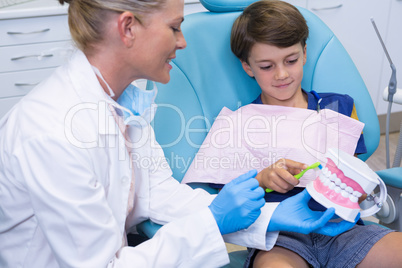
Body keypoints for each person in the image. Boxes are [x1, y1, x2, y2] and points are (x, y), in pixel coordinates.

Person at [0, 0, 356, 267]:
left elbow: (159, 194)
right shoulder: (53, 131)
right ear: (127, 28)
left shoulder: (124, 103)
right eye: (174, 27)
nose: (183, 42)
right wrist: (214, 221)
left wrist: (264, 216)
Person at [229, 0, 402, 267]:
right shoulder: (241, 122)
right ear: (248, 68)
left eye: (291, 60)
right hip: (281, 236)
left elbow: (355, 173)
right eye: (267, 66)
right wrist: (263, 179)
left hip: (346, 230)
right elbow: (226, 197)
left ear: (305, 53)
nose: (282, 74)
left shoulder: (338, 108)